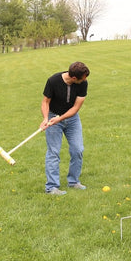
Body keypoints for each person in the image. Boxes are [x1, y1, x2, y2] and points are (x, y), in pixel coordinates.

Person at [40, 61, 90, 195]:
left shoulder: (83, 83)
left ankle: (73, 182)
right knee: (53, 152)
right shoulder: (53, 81)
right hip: (52, 116)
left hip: (72, 119)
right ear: (73, 78)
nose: (84, 80)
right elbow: (45, 102)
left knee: (77, 149)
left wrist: (60, 118)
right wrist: (45, 118)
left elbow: (75, 108)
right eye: (82, 78)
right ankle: (51, 188)